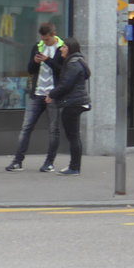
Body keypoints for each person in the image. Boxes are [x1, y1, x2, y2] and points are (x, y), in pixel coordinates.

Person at [6, 23, 64, 172]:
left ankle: (49, 163)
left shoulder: (62, 48)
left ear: (53, 35)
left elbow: (62, 70)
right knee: (26, 127)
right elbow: (30, 70)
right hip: (37, 93)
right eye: (43, 39)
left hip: (53, 95)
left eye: (47, 39)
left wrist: (47, 60)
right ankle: (17, 161)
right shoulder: (37, 46)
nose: (44, 42)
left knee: (53, 130)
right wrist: (35, 62)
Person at [46, 38, 90, 176]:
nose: (61, 49)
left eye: (64, 47)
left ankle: (74, 167)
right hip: (76, 102)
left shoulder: (72, 64)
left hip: (73, 103)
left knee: (73, 136)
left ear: (70, 48)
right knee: (74, 136)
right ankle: (74, 166)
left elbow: (66, 84)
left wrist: (51, 95)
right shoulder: (78, 62)